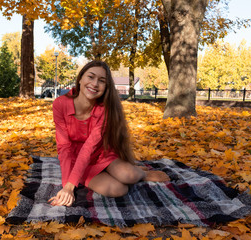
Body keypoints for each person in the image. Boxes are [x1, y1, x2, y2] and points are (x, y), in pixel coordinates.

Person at [49, 60, 169, 207]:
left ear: (106, 87)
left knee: (128, 175)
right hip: (78, 163)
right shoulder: (60, 104)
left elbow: (89, 147)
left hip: (101, 155)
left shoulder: (104, 109)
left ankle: (142, 173)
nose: (94, 84)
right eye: (90, 77)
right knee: (119, 189)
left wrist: (69, 186)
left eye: (101, 81)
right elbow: (64, 148)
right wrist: (67, 186)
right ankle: (119, 173)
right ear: (80, 78)